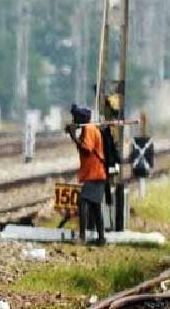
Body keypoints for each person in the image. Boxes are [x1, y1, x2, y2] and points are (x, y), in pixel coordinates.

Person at [65, 105, 107, 246]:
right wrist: (74, 135)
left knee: (82, 201)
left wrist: (73, 136)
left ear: (81, 118)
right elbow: (83, 147)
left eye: (75, 117)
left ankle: (82, 237)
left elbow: (87, 150)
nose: (73, 120)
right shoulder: (87, 129)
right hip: (96, 173)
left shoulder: (89, 129)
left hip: (94, 174)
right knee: (95, 206)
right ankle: (101, 238)